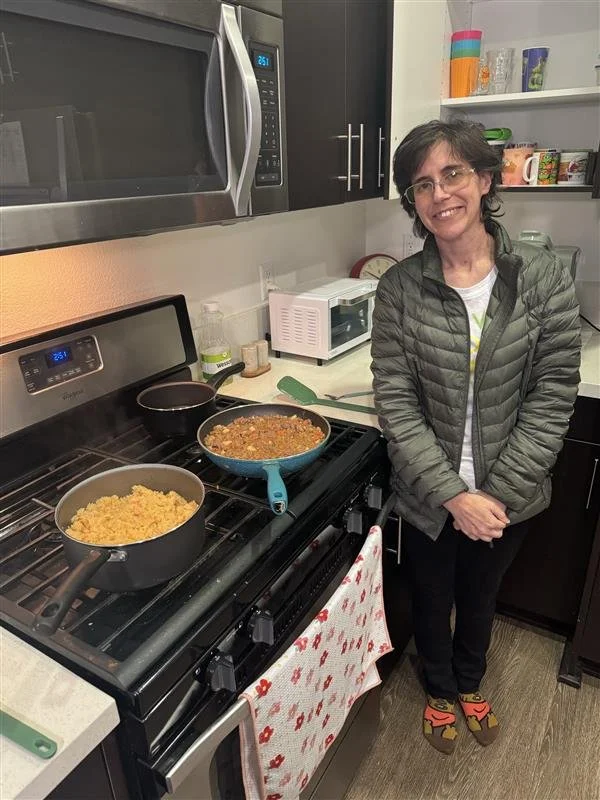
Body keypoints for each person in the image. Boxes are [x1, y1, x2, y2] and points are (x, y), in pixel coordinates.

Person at [370, 119, 581, 754]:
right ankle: (437, 687)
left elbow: (552, 394)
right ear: (414, 202)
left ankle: (470, 679)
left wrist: (494, 496)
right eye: (422, 184)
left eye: (453, 174)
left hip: (506, 495)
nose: (439, 195)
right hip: (430, 494)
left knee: (481, 594)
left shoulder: (540, 279)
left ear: (485, 181)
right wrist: (451, 494)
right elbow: (396, 403)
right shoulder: (399, 289)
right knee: (431, 596)